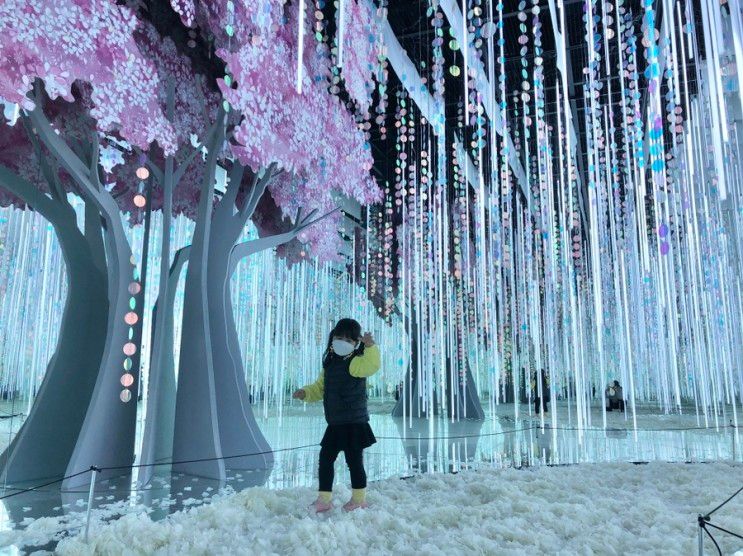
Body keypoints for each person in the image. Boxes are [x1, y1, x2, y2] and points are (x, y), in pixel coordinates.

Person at [292, 318, 381, 513]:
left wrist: (371, 347)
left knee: (354, 462)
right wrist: (306, 393)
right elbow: (320, 388)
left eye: (349, 340)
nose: (342, 342)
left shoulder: (357, 363)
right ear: (332, 338)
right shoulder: (330, 365)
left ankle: (359, 499)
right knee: (325, 458)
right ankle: (324, 499)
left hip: (354, 422)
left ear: (356, 344)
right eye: (339, 337)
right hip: (335, 422)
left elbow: (372, 365)